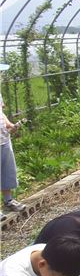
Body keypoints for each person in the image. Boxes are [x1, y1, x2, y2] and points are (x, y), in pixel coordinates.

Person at [1, 64, 26, 221]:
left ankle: (8, 200)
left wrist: (10, 125)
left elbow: (0, 113)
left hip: (4, 139)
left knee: (6, 171)